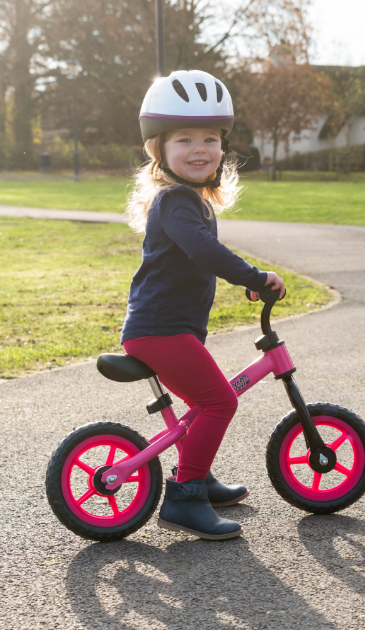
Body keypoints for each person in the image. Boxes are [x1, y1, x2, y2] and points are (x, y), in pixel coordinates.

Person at [121, 70, 285, 540]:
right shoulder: (176, 200)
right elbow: (204, 252)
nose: (200, 149)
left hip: (169, 328)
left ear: (222, 146)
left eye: (210, 138)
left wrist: (245, 283)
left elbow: (200, 256)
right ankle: (185, 497)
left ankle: (197, 473)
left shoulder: (190, 200)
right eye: (185, 139)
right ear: (160, 150)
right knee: (220, 402)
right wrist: (254, 277)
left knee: (202, 405)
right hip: (160, 330)